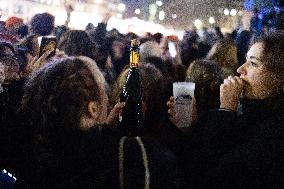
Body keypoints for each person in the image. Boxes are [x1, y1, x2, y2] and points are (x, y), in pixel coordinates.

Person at [18, 56, 181, 188]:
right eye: (103, 89)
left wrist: (105, 131)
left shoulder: (28, 158)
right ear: (93, 109)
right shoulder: (137, 156)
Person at [181, 31, 284, 188]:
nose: (240, 70)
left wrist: (225, 111)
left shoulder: (274, 132)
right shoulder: (253, 115)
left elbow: (214, 176)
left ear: (279, 76)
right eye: (245, 61)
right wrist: (191, 127)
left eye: (254, 63)